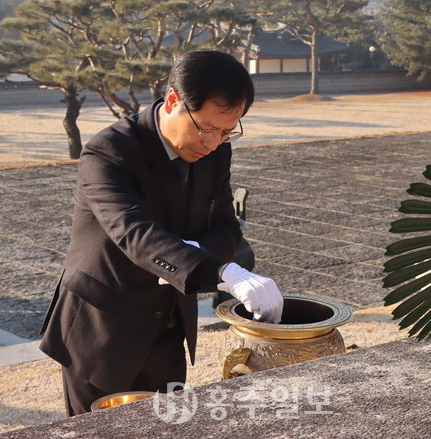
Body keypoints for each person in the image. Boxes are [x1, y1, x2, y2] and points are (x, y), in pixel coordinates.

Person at [39, 50, 284, 416]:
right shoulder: (109, 152)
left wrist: (190, 253)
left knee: (167, 424)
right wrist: (222, 271)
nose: (213, 142)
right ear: (173, 100)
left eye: (227, 132)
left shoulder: (215, 152)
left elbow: (227, 227)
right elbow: (135, 233)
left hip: (168, 327)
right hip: (102, 328)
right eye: (206, 128)